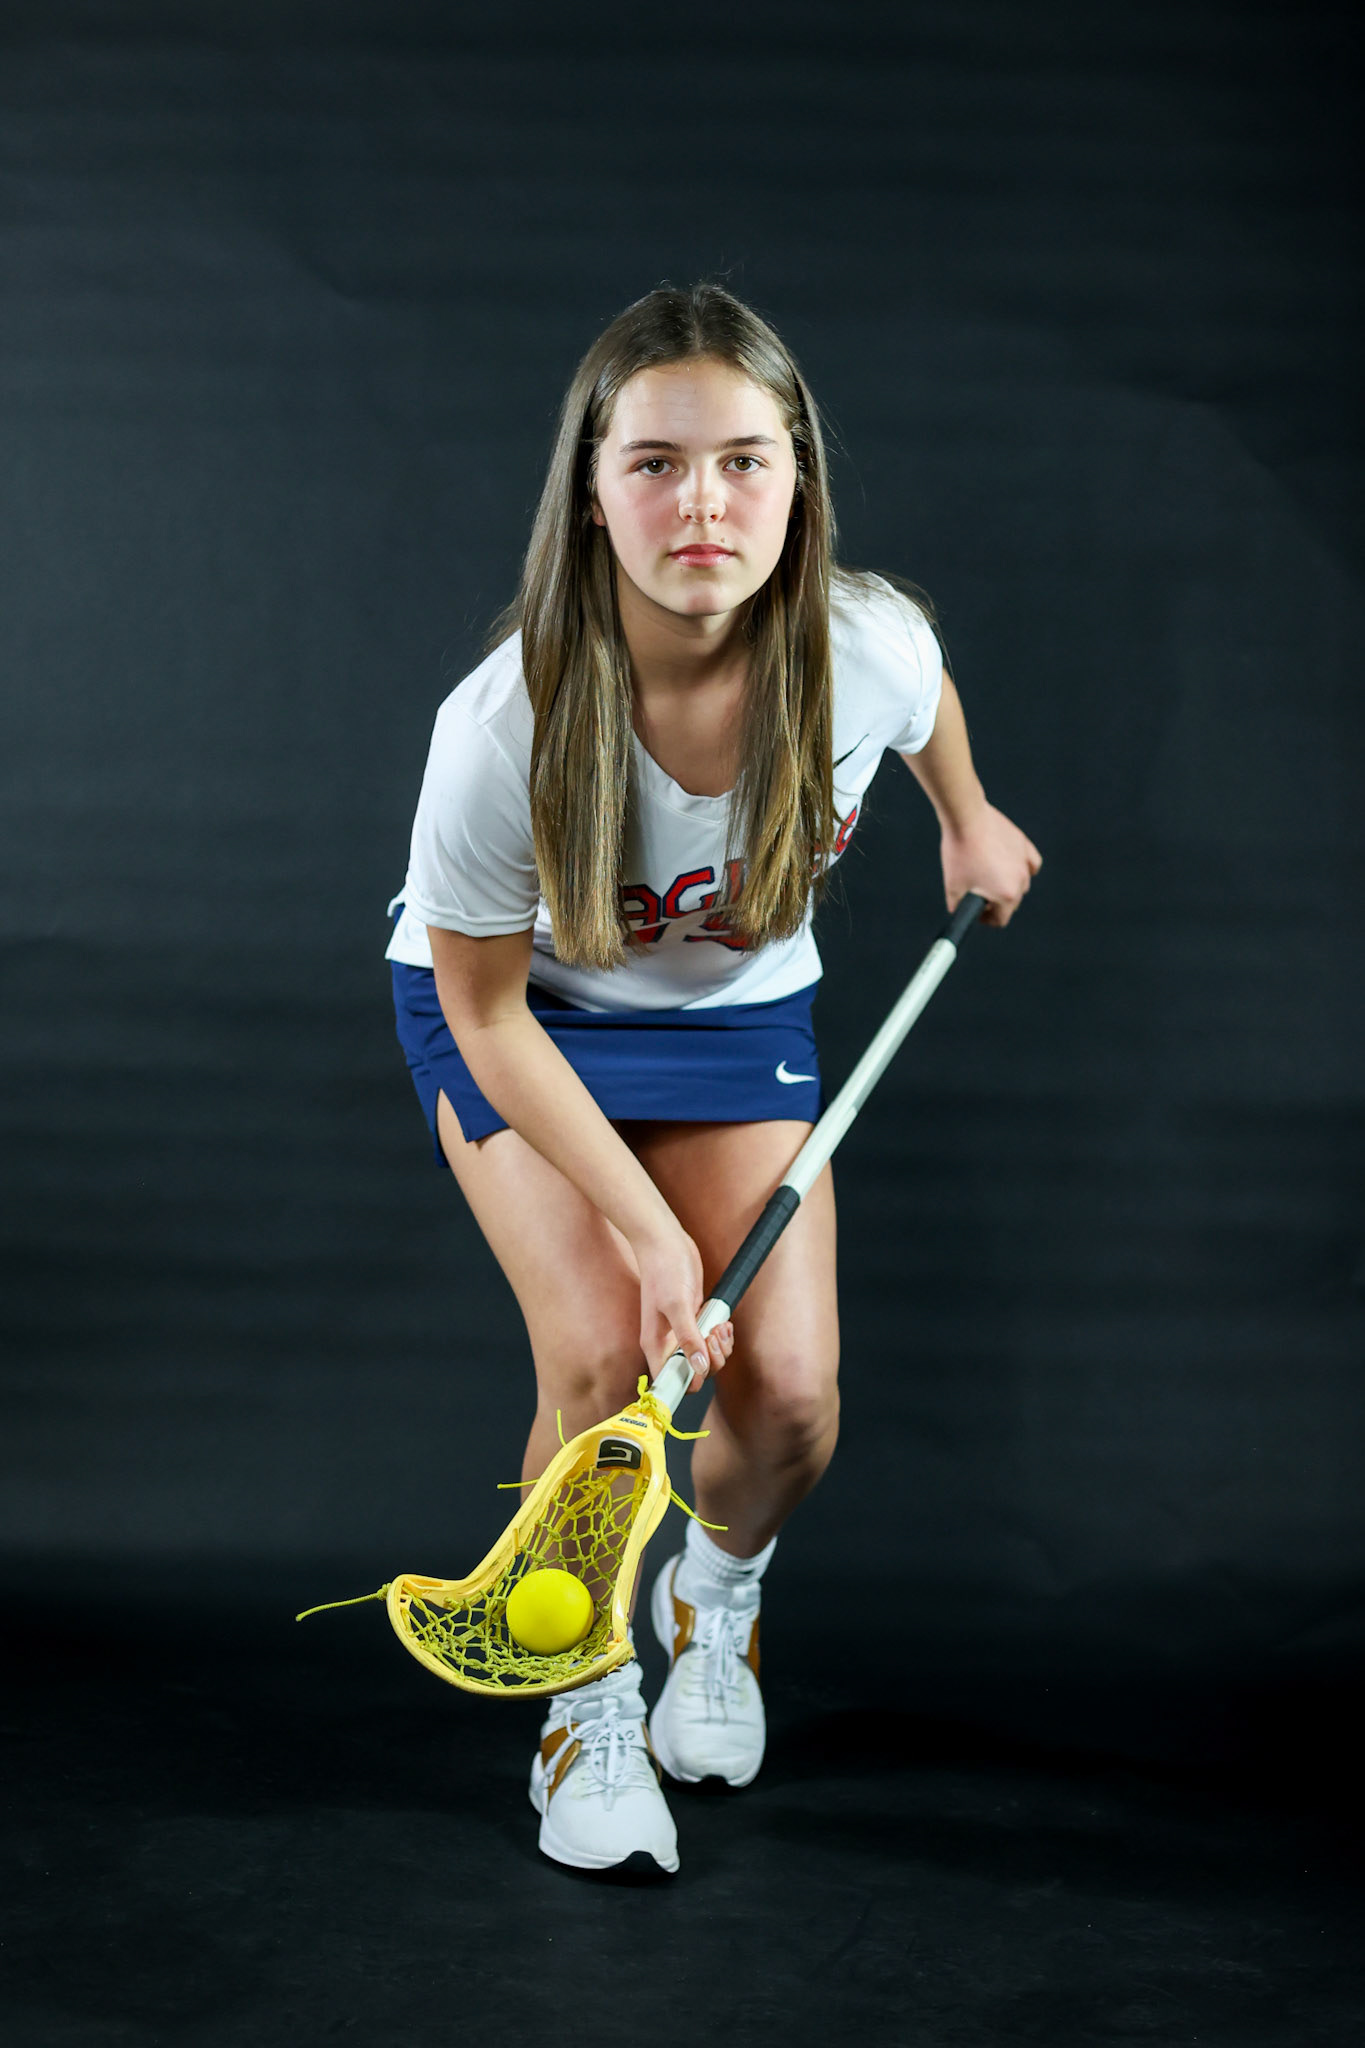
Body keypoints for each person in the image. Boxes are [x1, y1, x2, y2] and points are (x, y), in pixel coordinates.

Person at [384, 281, 1042, 1877]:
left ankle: (713, 1598)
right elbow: (483, 1013)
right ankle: (581, 1696)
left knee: (791, 1402)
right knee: (608, 1355)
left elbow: (926, 692)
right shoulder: (504, 727)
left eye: (746, 460)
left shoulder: (859, 644)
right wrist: (653, 1237)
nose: (703, 503)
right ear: (590, 487)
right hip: (524, 1015)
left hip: (735, 1016)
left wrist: (965, 813)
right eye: (658, 463)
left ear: (797, 480)